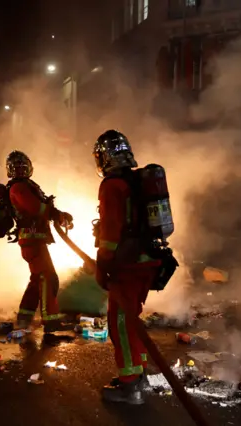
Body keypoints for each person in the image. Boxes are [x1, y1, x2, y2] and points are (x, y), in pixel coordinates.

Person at [93, 130, 161, 405]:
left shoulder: (112, 185)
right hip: (149, 260)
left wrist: (102, 263)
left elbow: (111, 231)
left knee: (119, 323)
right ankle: (139, 373)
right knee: (132, 319)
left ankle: (130, 387)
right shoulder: (138, 180)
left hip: (127, 265)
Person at [2, 150, 73, 333]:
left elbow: (41, 206)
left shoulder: (26, 185)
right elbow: (36, 208)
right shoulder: (19, 188)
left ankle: (24, 317)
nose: (20, 171)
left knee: (37, 279)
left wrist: (58, 215)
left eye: (22, 167)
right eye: (16, 168)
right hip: (31, 239)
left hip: (35, 238)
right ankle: (51, 321)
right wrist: (57, 215)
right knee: (47, 278)